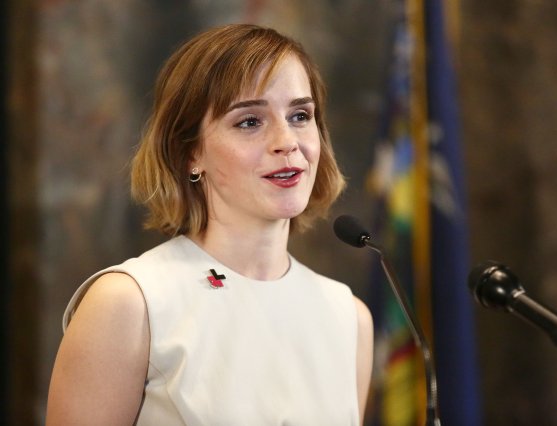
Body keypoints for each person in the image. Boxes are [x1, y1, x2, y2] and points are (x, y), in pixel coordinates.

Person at [46, 23, 373, 425]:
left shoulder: (348, 316)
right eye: (249, 121)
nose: (287, 141)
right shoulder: (127, 303)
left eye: (300, 115)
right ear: (190, 153)